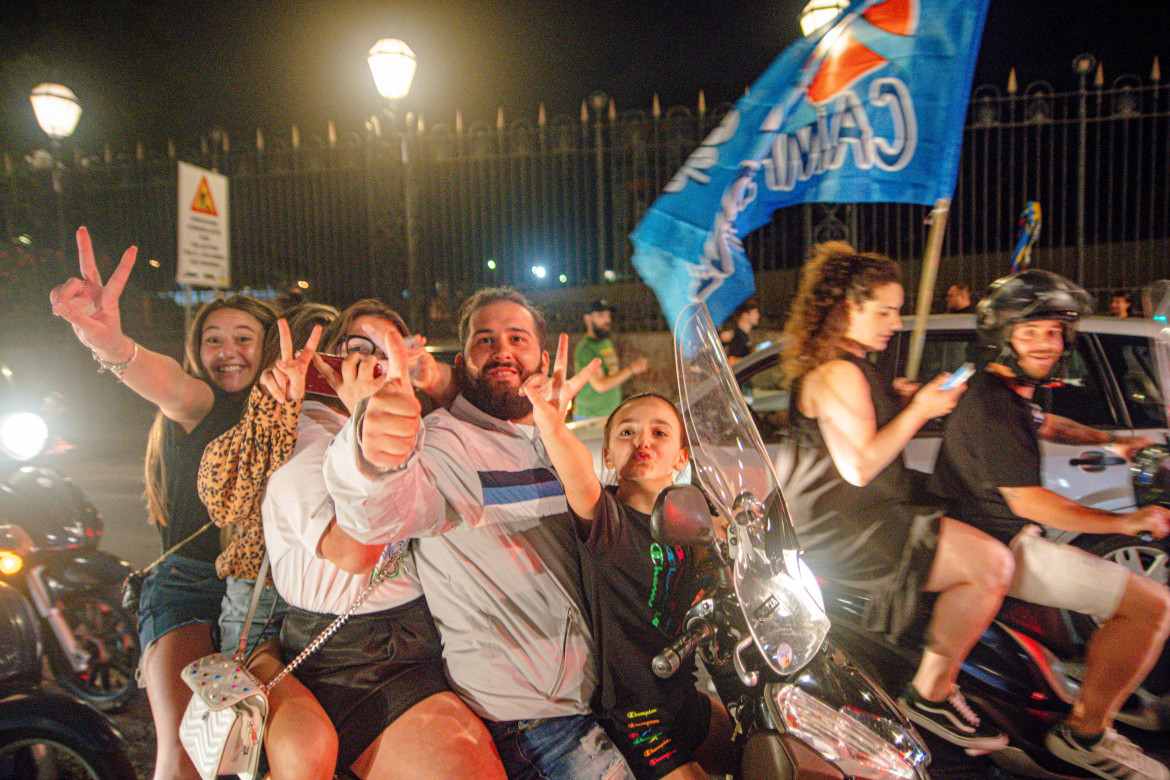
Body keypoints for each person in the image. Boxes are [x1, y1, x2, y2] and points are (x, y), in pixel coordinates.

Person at [322, 287, 636, 780]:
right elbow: (380, 512)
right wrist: (372, 453)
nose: (502, 350)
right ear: (463, 359)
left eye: (517, 338)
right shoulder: (445, 442)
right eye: (484, 340)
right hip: (531, 719)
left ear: (543, 357)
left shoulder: (553, 441)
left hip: (603, 696)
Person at [208, 299, 503, 779]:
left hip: (414, 640)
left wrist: (438, 388)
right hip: (328, 653)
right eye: (359, 348)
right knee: (308, 756)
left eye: (393, 349)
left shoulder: (421, 427)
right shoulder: (302, 433)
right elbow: (354, 552)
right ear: (329, 361)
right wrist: (371, 437)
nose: (377, 362)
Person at [48, 227, 278, 780]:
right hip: (192, 590)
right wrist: (107, 342)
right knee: (190, 755)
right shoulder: (196, 401)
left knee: (255, 754)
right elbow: (158, 377)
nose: (227, 353)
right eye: (213, 340)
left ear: (268, 345)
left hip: (268, 598)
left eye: (243, 339)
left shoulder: (289, 410)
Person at [774, 241, 1014, 752]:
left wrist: (901, 399)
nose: (896, 323)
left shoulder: (849, 364)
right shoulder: (838, 372)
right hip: (850, 527)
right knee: (992, 565)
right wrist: (920, 409)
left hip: (863, 514)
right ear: (845, 309)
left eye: (897, 311)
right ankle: (932, 692)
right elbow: (859, 466)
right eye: (883, 311)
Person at [932, 269, 1170, 780]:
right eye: (1031, 331)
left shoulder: (1006, 390)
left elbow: (1046, 423)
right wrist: (1126, 522)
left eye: (1054, 332)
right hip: (1000, 544)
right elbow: (1030, 503)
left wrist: (1110, 442)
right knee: (1151, 607)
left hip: (1003, 538)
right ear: (1004, 335)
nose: (1047, 342)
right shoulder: (992, 405)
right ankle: (1084, 734)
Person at [521, 346, 733, 780]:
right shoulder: (605, 518)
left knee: (769, 753)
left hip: (683, 698)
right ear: (608, 457)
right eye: (627, 434)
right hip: (639, 718)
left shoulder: (693, 519)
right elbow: (577, 472)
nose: (643, 443)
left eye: (659, 433)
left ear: (681, 457)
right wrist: (551, 424)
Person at [573, 298, 649, 420]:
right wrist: (631, 369)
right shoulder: (586, 348)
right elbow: (600, 385)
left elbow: (612, 374)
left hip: (609, 413)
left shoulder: (605, 342)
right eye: (601, 315)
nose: (607, 320)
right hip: (591, 417)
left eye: (608, 315)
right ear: (588, 319)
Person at [719, 297, 760, 364]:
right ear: (745, 315)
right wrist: (752, 357)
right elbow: (732, 361)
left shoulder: (744, 336)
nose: (758, 316)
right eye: (755, 313)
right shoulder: (737, 337)